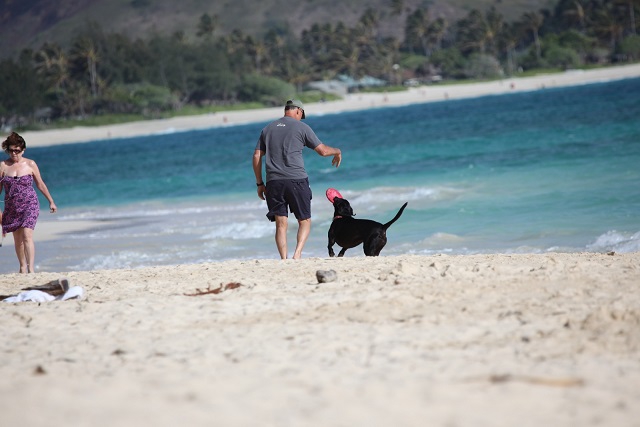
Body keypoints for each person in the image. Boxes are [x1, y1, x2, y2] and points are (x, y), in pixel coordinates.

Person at [253, 99, 342, 259]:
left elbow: (257, 155)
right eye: (301, 115)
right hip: (296, 180)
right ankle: (297, 254)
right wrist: (337, 151)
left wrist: (260, 183)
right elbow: (322, 151)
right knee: (305, 220)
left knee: (281, 223)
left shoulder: (268, 129)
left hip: (273, 182)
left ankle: (284, 259)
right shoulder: (302, 127)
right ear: (298, 111)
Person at [1, 132, 57, 273]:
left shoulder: (30, 164)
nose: (14, 154)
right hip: (11, 207)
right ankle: (22, 267)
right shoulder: (3, 166)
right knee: (18, 239)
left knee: (27, 234)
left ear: (23, 149)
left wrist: (51, 201)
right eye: (11, 150)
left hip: (30, 204)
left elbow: (40, 184)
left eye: (17, 151)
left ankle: (31, 269)